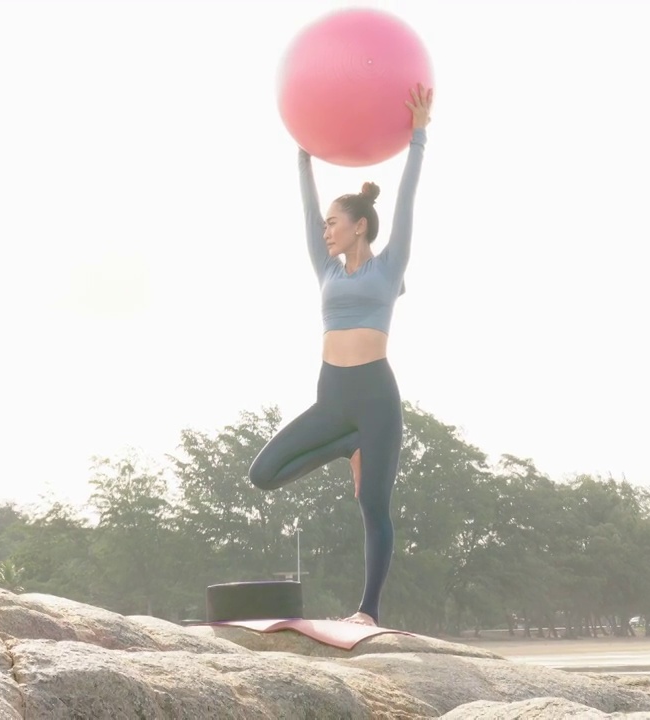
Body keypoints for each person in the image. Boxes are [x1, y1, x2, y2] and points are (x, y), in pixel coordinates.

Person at [248, 83, 434, 628]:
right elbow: (306, 212)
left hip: (376, 397)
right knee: (262, 473)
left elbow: (408, 199)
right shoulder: (325, 268)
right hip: (332, 397)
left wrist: (419, 135)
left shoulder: (389, 265)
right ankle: (340, 447)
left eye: (335, 222)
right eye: (326, 223)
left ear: (359, 226)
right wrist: (303, 152)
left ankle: (368, 611)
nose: (326, 230)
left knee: (373, 508)